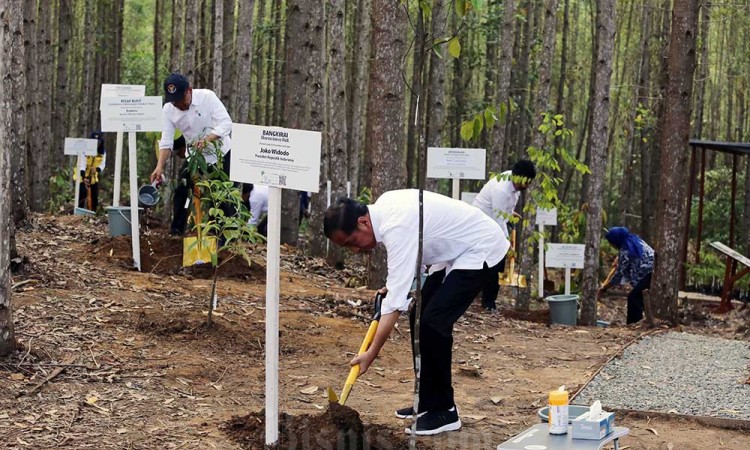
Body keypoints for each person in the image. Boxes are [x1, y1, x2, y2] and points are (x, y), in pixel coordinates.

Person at [324, 190, 509, 436]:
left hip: (480, 246)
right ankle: (427, 401)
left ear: (363, 222)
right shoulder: (385, 209)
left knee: (434, 323)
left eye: (351, 242)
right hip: (453, 251)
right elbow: (411, 259)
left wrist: (371, 353)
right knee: (418, 315)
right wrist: (394, 287)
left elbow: (393, 306)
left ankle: (445, 411)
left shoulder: (395, 225)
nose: (355, 250)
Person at [151, 73, 234, 235]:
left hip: (220, 154)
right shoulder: (168, 110)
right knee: (182, 191)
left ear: (189, 90)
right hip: (195, 157)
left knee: (223, 197)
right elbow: (166, 141)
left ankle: (223, 239)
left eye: (181, 100)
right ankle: (177, 232)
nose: (178, 105)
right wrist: (159, 166)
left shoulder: (207, 98)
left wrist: (209, 138)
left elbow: (226, 122)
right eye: (174, 101)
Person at [472, 159, 536, 312]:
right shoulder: (501, 189)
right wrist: (507, 244)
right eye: (526, 182)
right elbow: (498, 219)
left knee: (496, 264)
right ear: (518, 177)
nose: (528, 185)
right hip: (482, 224)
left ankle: (489, 300)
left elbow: (505, 210)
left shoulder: (515, 186)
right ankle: (487, 303)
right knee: (494, 262)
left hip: (494, 222)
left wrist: (510, 214)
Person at [599, 227, 654, 324]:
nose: (610, 245)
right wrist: (619, 258)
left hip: (649, 274)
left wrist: (604, 288)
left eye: (610, 242)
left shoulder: (626, 252)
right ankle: (647, 321)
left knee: (634, 298)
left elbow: (619, 275)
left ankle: (633, 325)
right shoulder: (635, 240)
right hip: (653, 272)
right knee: (642, 299)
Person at [77, 131, 106, 211]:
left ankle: (93, 213)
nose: (97, 143)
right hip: (82, 175)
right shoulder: (85, 150)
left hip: (93, 177)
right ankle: (79, 213)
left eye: (98, 141)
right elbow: (82, 164)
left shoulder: (102, 152)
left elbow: (102, 165)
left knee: (94, 197)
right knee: (81, 195)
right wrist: (84, 177)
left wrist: (97, 169)